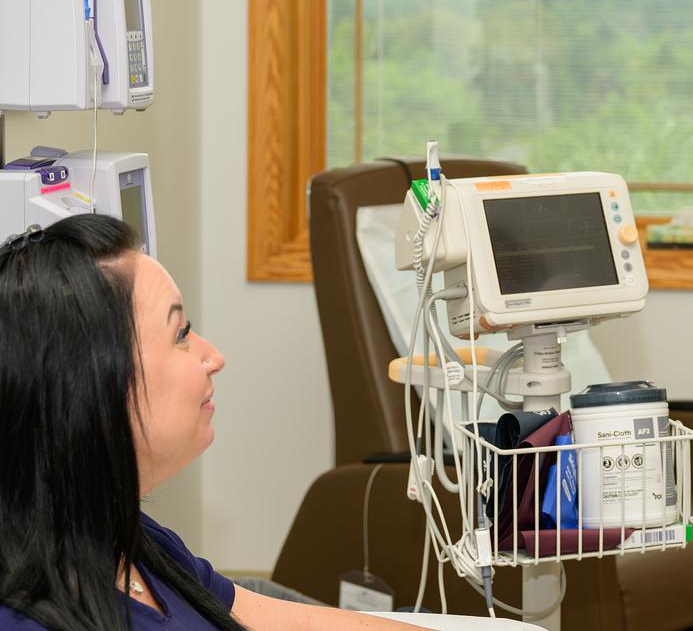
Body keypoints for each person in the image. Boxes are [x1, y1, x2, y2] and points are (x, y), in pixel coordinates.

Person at [0, 215, 427, 631]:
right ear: (93, 382)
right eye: (181, 334)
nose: (214, 356)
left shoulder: (131, 540)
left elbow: (287, 620)